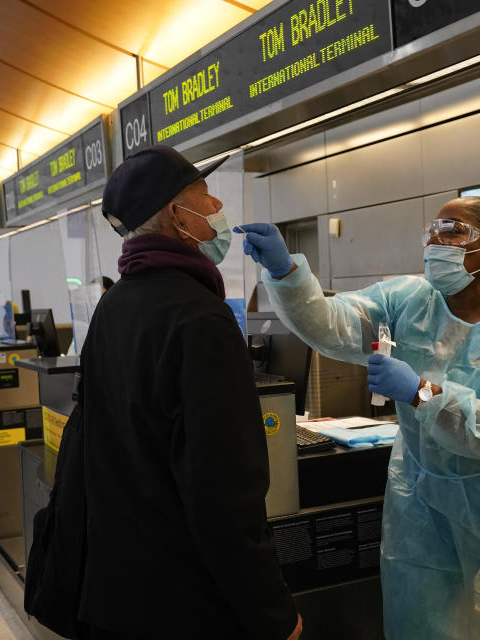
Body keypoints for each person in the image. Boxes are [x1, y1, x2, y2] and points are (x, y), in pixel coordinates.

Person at [236, 196, 480, 639]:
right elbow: (335, 324)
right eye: (433, 229)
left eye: (453, 231)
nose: (435, 240)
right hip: (425, 496)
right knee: (421, 618)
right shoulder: (410, 298)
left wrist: (422, 392)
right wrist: (286, 273)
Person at [76, 145, 301, 639]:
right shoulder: (199, 316)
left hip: (122, 585)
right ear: (178, 216)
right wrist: (273, 614)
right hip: (189, 600)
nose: (218, 208)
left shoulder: (115, 306)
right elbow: (223, 488)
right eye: (206, 196)